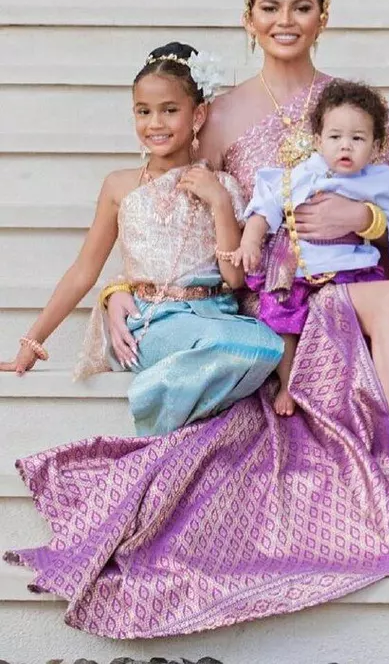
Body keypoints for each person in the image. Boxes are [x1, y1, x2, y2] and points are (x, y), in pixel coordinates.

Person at [4, 0, 389, 641]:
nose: (286, 21)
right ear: (248, 18)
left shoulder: (358, 105)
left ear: (323, 15)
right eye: (270, 7)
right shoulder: (217, 117)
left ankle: (330, 399)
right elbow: (175, 223)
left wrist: (363, 219)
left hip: (358, 279)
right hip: (278, 299)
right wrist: (120, 288)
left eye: (301, 6)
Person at [0, 43, 282, 436]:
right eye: (143, 111)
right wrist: (32, 341)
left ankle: (160, 393)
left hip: (213, 314)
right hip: (151, 321)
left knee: (268, 346)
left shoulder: (223, 186)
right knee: (226, 346)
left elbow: (234, 279)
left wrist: (218, 201)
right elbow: (83, 270)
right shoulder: (119, 186)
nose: (155, 123)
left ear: (198, 115)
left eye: (170, 110)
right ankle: (159, 406)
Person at [241, 78, 389, 416]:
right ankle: (288, 383)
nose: (346, 147)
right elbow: (267, 204)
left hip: (350, 270)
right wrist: (251, 240)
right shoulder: (301, 174)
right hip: (299, 270)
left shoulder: (380, 180)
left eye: (357, 139)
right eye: (335, 137)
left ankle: (358, 380)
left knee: (362, 326)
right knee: (283, 320)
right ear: (318, 141)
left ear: (375, 146)